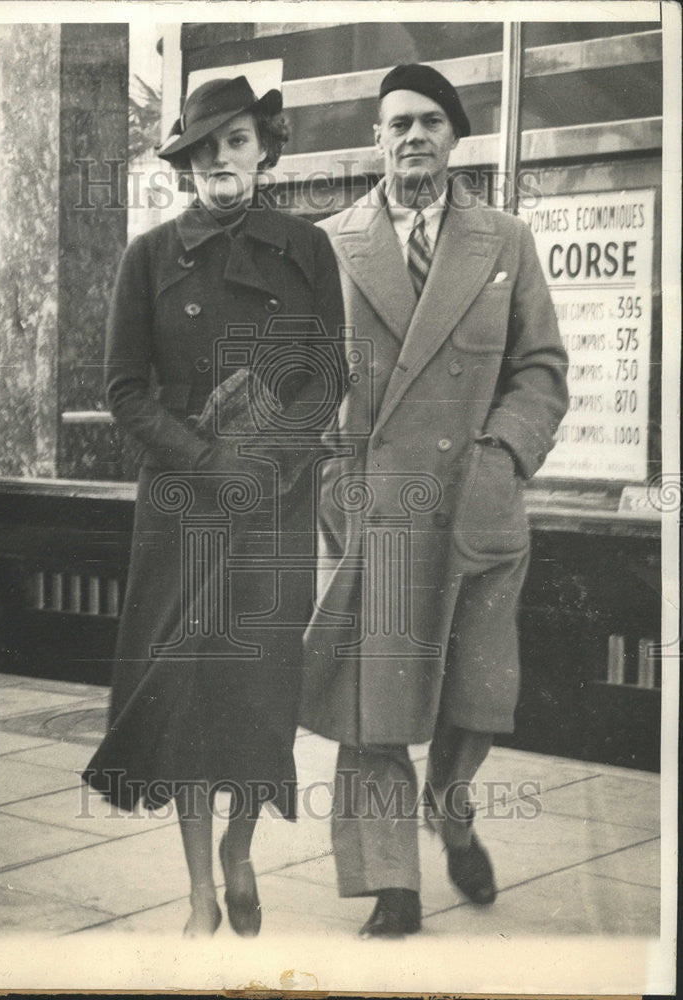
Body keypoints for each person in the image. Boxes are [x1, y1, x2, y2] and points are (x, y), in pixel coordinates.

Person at [300, 64, 569, 938]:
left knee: (476, 697)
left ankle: (449, 810)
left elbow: (540, 371)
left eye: (429, 123)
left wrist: (502, 459)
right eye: (397, 124)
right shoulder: (329, 244)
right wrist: (336, 485)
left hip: (476, 505)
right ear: (376, 140)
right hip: (374, 508)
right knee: (374, 706)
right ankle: (392, 884)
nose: (413, 137)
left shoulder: (506, 241)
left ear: (455, 139)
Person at [83, 75, 346, 938]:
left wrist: (265, 461)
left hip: (272, 507)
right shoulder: (150, 257)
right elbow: (126, 392)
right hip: (183, 510)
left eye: (234, 141)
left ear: (264, 148)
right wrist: (206, 458)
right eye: (202, 148)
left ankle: (241, 850)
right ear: (187, 163)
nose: (219, 161)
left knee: (262, 695)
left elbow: (324, 381)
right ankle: (199, 888)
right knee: (190, 699)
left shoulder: (306, 251)